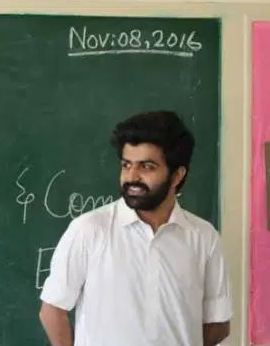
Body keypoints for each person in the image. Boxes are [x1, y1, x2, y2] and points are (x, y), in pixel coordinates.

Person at [38, 110, 232, 346]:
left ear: (177, 175)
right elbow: (52, 310)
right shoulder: (89, 230)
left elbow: (218, 323)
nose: (132, 177)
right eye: (126, 165)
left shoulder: (204, 237)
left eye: (147, 167)